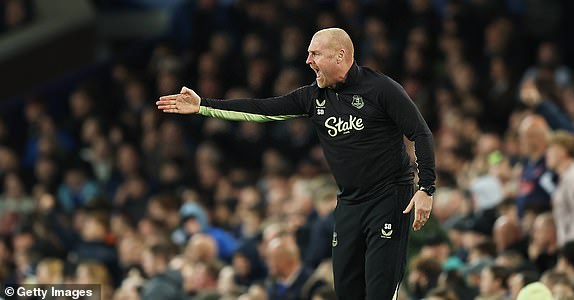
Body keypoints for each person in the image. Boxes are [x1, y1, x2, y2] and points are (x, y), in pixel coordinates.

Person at [156, 27, 436, 300]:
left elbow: (420, 132)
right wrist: (202, 105)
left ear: (340, 56)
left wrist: (426, 188)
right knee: (347, 291)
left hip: (389, 198)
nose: (308, 61)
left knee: (380, 292)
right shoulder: (314, 96)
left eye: (315, 54)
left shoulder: (382, 89)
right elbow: (262, 109)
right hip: (350, 202)